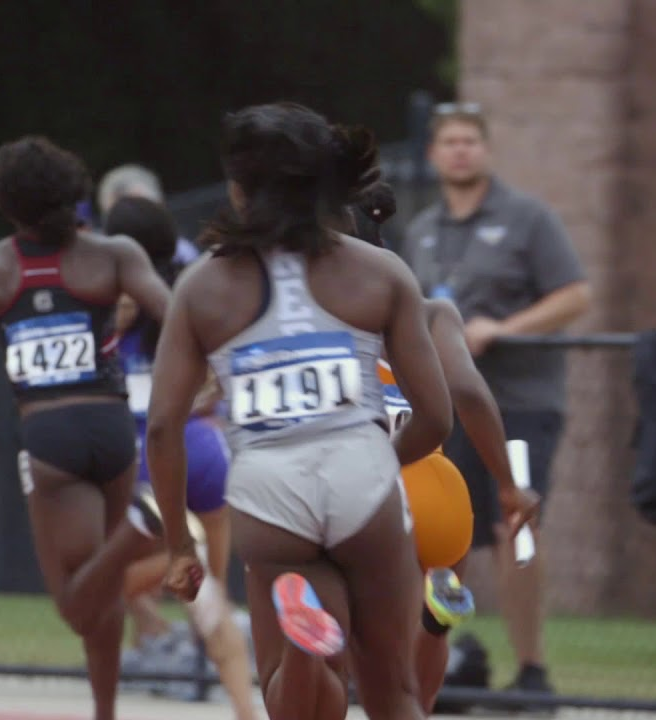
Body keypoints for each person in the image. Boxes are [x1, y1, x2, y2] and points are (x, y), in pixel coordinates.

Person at [148, 102, 454, 720]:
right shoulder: (380, 273)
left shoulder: (203, 287)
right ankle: (317, 651)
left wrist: (182, 544)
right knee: (393, 690)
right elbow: (437, 417)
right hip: (360, 475)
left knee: (284, 690)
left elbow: (162, 426)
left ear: (238, 188)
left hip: (268, 486)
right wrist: (380, 463)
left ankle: (306, 655)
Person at [0, 136, 171, 720]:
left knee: (74, 604)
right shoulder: (114, 253)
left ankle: (136, 537)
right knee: (101, 589)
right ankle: (105, 712)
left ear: (7, 204)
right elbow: (172, 313)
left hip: (50, 440)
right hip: (113, 428)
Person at [401, 102, 590, 697]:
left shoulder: (527, 218)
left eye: (470, 141)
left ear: (486, 150)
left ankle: (532, 671)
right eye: (449, 142)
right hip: (444, 406)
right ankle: (436, 658)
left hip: (519, 402)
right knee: (438, 529)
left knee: (518, 525)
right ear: (433, 155)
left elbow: (575, 295)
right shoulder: (423, 230)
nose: (460, 150)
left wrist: (504, 329)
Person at [349, 185, 540, 712]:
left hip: (365, 487)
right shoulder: (433, 311)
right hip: (438, 490)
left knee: (336, 613)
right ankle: (434, 623)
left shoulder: (320, 306)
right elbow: (471, 393)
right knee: (422, 636)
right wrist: (507, 485)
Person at [103, 196, 257, 719]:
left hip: (153, 454)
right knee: (211, 589)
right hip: (205, 446)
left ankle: (178, 647)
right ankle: (239, 701)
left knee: (102, 590)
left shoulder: (116, 292)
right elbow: (220, 372)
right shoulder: (190, 290)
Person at [96, 163, 199, 265]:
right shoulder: (101, 266)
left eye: (141, 210)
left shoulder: (184, 255)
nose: (130, 220)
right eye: (119, 216)